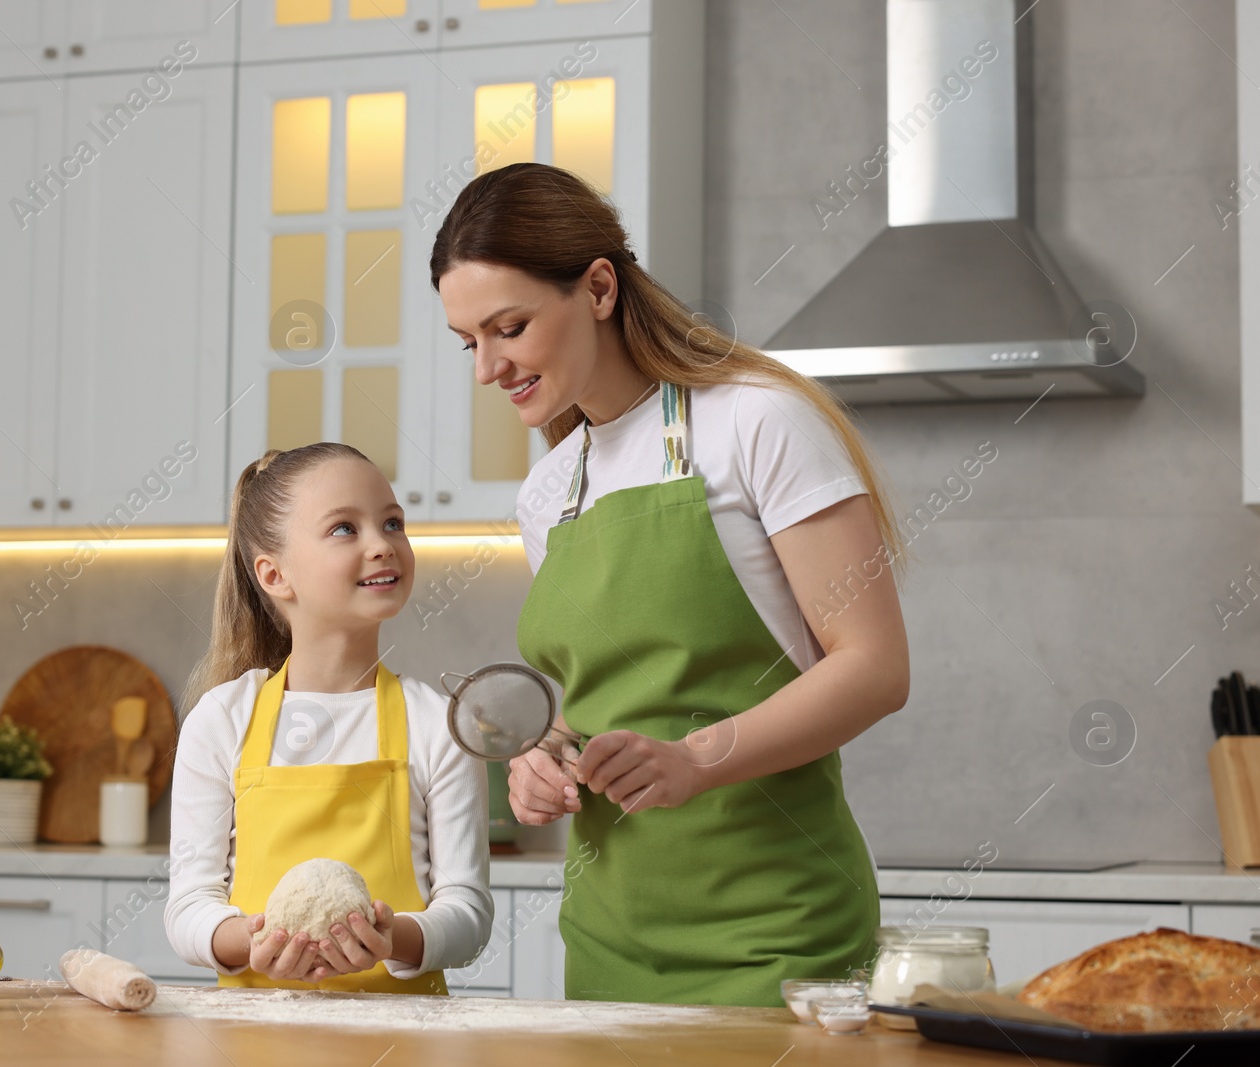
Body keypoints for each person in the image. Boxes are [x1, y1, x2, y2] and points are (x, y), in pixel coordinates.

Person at [430, 163, 911, 1007]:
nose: (487, 368)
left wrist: (696, 758)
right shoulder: (549, 492)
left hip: (775, 940)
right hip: (608, 941)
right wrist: (546, 758)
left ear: (600, 288)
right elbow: (609, 697)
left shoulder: (755, 420)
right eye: (469, 341)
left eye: (508, 327)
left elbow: (873, 667)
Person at [164, 443, 492, 992]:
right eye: (345, 529)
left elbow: (469, 913)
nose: (382, 546)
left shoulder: (437, 723)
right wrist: (252, 942)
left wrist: (395, 939)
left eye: (392, 523)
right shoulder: (223, 720)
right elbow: (189, 909)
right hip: (254, 1045)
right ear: (274, 575)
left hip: (403, 1041)